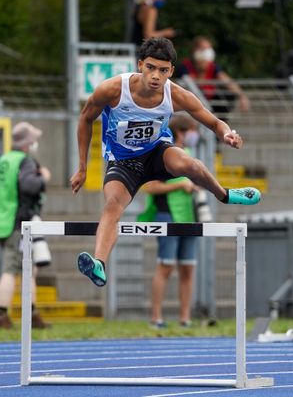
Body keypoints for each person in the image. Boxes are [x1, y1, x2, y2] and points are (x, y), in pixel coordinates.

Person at [69, 37, 261, 288]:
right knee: (113, 205)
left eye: (163, 70)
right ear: (140, 65)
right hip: (124, 161)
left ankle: (224, 194)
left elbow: (214, 122)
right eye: (150, 67)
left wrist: (227, 133)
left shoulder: (177, 95)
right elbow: (85, 119)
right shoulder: (113, 90)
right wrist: (83, 167)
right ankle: (99, 265)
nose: (156, 76)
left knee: (188, 164)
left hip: (157, 152)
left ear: (171, 71)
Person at [0, 121, 52, 329]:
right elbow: (29, 185)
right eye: (34, 140)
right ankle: (1, 316)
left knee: (29, 269)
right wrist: (43, 178)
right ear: (28, 143)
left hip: (0, 223)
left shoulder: (2, 160)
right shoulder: (25, 161)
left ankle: (32, 313)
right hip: (18, 224)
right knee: (11, 270)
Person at [138, 115, 201, 329]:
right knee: (165, 266)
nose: (195, 136)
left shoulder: (190, 154)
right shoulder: (164, 155)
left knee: (188, 268)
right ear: (181, 132)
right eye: (192, 130)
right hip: (167, 214)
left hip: (189, 216)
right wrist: (180, 185)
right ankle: (156, 317)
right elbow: (150, 187)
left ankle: (185, 318)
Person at [175, 36, 250, 121]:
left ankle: (220, 124)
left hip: (210, 101)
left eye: (209, 49)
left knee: (229, 95)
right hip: (192, 103)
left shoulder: (213, 67)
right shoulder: (185, 67)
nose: (207, 52)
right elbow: (191, 85)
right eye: (203, 49)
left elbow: (227, 81)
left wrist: (242, 96)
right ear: (195, 50)